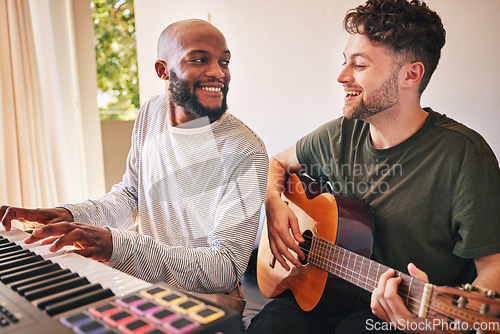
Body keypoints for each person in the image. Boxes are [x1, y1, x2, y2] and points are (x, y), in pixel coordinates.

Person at [246, 0, 500, 333]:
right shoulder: (341, 133)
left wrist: (435, 323)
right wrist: (274, 204)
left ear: (411, 74)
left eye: (359, 65)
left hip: (396, 311)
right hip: (316, 292)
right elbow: (275, 163)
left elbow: (494, 267)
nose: (341, 76)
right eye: (344, 62)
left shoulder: (465, 156)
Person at [0, 19, 268, 313]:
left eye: (224, 61)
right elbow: (130, 196)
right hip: (143, 286)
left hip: (207, 305)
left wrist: (116, 245)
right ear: (163, 71)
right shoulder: (151, 113)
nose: (218, 72)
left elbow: (224, 269)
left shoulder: (246, 150)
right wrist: (68, 214)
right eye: (199, 59)